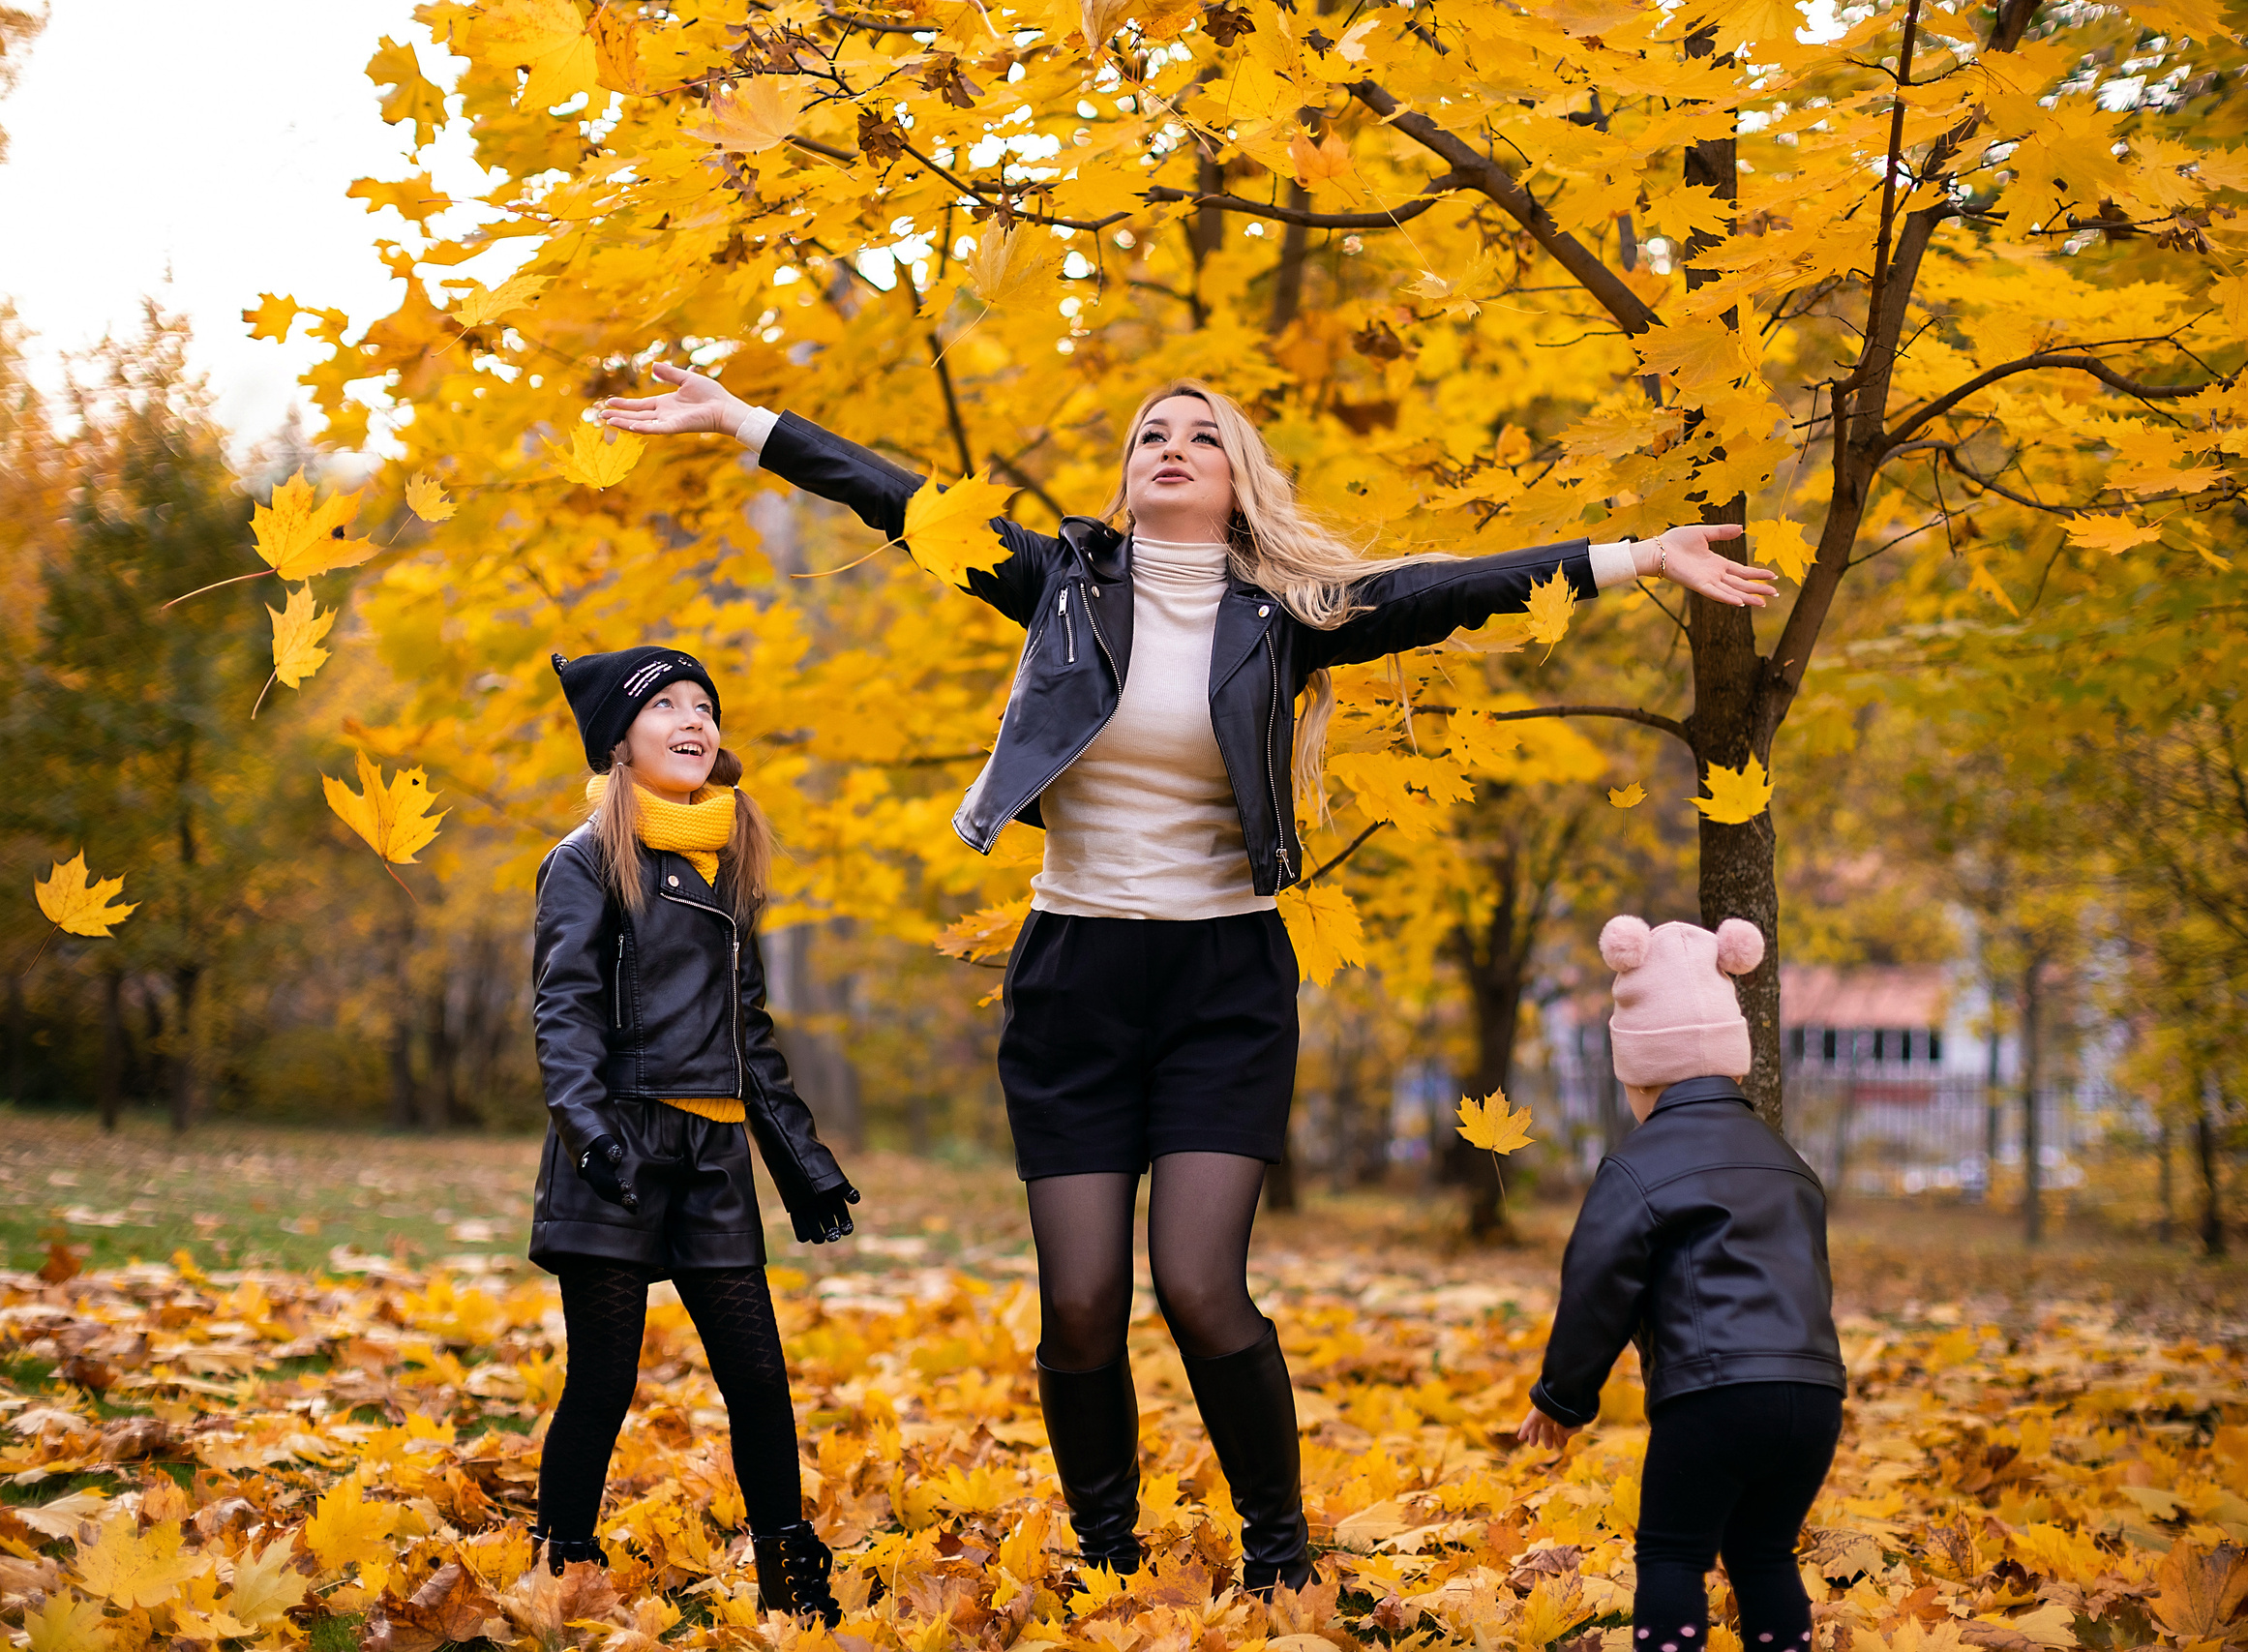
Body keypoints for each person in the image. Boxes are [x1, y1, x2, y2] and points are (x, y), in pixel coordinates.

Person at [602, 363, 1777, 1594]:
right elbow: (903, 503)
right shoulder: (1058, 585)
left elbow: (1447, 593)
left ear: (1235, 482)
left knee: (1204, 1287)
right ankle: (1110, 1561)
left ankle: (1280, 1559)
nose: (1170, 447)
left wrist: (1639, 555)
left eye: (1199, 439)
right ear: (1126, 475)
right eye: (1151, 434)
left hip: (1226, 981)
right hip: (1075, 978)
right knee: (1082, 1306)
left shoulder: (1288, 611)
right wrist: (743, 423)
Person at [528, 645, 862, 1623]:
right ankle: (562, 1564)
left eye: (705, 706)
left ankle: (788, 1570)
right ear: (620, 741)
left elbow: (745, 1032)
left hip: (713, 1161)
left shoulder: (725, 861)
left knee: (758, 1374)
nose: (693, 719)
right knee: (603, 1375)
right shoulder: (586, 857)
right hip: (620, 1147)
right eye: (666, 704)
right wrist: (590, 1136)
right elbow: (565, 1010)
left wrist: (804, 1166)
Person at [1515, 916, 1844, 1652]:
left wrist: (1563, 1399)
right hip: (1815, 1396)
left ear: (1639, 1076)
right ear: (1732, 1066)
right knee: (1763, 1552)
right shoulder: (1790, 1163)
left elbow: (1598, 1284)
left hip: (1711, 1398)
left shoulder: (1638, 1166)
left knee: (1672, 1554)